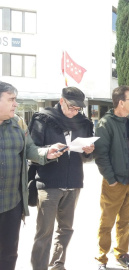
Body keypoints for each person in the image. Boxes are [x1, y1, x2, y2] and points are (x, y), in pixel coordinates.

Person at [0, 81, 65, 270]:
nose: (15, 104)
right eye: (11, 99)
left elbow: (29, 148)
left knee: (9, 253)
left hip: (12, 203)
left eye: (16, 99)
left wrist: (47, 153)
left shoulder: (18, 123)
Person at [29, 87, 95, 270]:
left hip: (73, 181)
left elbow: (87, 155)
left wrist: (89, 151)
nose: (75, 112)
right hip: (49, 182)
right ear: (61, 101)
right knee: (44, 232)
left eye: (78, 109)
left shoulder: (83, 122)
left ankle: (58, 265)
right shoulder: (43, 119)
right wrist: (50, 149)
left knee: (66, 229)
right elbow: (31, 150)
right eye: (71, 107)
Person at [94, 85, 129, 270]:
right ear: (121, 102)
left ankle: (122, 253)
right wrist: (110, 179)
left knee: (125, 221)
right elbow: (101, 155)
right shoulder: (105, 123)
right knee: (107, 222)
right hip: (115, 183)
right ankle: (101, 258)